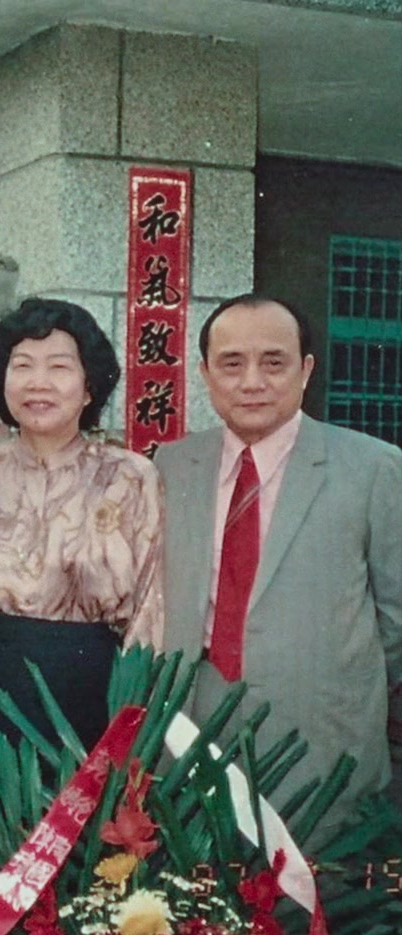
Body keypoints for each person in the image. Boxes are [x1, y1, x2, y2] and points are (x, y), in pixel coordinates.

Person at [156, 294, 401, 837]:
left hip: (321, 739)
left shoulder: (374, 468)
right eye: (231, 364)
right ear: (204, 373)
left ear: (305, 370)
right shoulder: (172, 465)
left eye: (273, 362)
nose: (252, 382)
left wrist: (330, 669)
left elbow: (395, 618)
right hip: (192, 727)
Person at [0, 298, 164, 750]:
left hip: (90, 697)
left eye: (59, 367)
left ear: (89, 387)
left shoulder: (129, 477)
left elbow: (150, 609)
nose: (38, 383)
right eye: (23, 365)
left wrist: (133, 723)